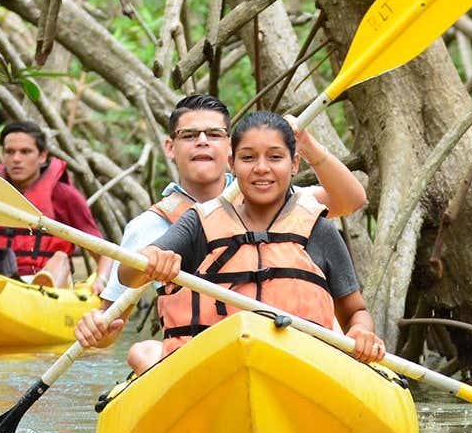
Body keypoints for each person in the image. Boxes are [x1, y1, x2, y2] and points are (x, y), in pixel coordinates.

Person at [78, 112, 386, 375]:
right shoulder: (197, 222)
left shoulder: (315, 225)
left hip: (301, 363)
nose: (262, 168)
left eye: (275, 157)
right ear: (233, 164)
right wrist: (150, 261)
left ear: (294, 165)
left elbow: (355, 310)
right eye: (249, 158)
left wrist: (361, 331)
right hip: (212, 367)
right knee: (143, 352)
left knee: (145, 351)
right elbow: (130, 274)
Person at [89, 95, 366, 305]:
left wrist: (306, 145)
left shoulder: (271, 198)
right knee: (142, 353)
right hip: (206, 353)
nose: (202, 141)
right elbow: (110, 318)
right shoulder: (147, 227)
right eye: (189, 135)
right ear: (170, 147)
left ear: (229, 146)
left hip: (287, 346)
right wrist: (101, 330)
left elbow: (350, 200)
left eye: (213, 134)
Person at [0, 121, 101, 287]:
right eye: (10, 152)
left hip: (43, 286)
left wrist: (101, 280)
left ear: (42, 156)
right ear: (3, 155)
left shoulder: (64, 196)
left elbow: (104, 253)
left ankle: (44, 292)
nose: (16, 159)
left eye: (25, 152)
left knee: (61, 258)